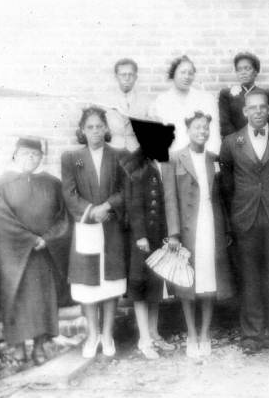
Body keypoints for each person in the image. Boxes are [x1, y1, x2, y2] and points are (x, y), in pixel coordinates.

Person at [219, 90, 269, 355]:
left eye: (263, 107)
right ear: (244, 112)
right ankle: (252, 335)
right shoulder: (230, 142)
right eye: (253, 108)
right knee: (250, 279)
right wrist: (233, 219)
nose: (259, 112)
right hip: (245, 218)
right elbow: (227, 187)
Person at [162, 111, 234, 359]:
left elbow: (221, 198)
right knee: (187, 282)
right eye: (197, 128)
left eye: (205, 128)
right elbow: (170, 199)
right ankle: (191, 333)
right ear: (188, 130)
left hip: (211, 227)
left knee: (209, 281)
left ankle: (205, 333)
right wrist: (173, 233)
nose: (202, 132)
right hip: (187, 230)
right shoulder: (173, 159)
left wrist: (225, 229)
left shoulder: (213, 159)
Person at [0, 137, 71, 365]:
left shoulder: (53, 184)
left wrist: (47, 239)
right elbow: (0, 217)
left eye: (35, 154)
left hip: (43, 254)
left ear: (41, 157)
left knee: (42, 302)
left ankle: (39, 348)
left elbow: (64, 218)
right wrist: (29, 239)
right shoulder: (2, 184)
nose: (30, 158)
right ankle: (18, 348)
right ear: (15, 155)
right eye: (25, 153)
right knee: (15, 299)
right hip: (13, 254)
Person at [61, 106, 127, 358]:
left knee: (110, 282)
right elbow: (68, 193)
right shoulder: (72, 158)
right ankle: (92, 335)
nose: (95, 131)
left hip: (110, 226)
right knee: (87, 285)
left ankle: (107, 335)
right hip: (86, 226)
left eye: (100, 126)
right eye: (90, 127)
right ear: (82, 131)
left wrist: (107, 206)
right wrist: (91, 211)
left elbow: (124, 189)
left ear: (107, 129)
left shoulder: (119, 155)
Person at [120, 120, 176, 360]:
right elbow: (133, 205)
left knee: (154, 290)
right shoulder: (137, 166)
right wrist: (141, 235)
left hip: (156, 239)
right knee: (141, 290)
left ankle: (154, 333)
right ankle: (144, 339)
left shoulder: (156, 164)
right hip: (141, 241)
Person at [149, 55, 221, 154]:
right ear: (173, 74)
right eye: (182, 72)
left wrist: (213, 158)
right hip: (172, 158)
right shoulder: (161, 102)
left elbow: (214, 134)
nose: (186, 77)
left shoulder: (206, 99)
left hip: (199, 156)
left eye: (190, 73)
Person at [105, 58, 150, 151]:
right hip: (112, 151)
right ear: (116, 77)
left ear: (136, 77)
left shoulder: (146, 102)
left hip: (137, 153)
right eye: (123, 75)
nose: (127, 78)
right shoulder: (106, 102)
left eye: (130, 74)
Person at [219, 52, 267, 138]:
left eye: (247, 68)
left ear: (256, 72)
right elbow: (224, 123)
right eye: (239, 69)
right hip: (235, 142)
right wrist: (238, 140)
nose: (243, 73)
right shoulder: (227, 95)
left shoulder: (264, 94)